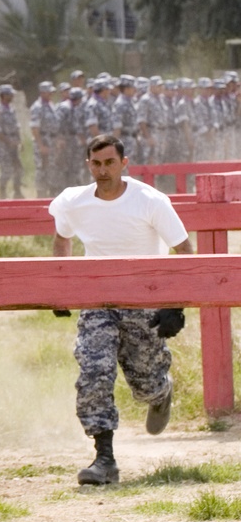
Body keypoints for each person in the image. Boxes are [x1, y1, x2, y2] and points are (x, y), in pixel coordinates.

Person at [49, 134, 192, 486]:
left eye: (110, 163)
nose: (103, 170)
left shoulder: (150, 201)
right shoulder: (73, 202)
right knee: (94, 370)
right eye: (96, 164)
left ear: (124, 163)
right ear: (88, 165)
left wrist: (176, 304)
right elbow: (61, 237)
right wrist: (61, 287)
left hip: (143, 302)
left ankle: (161, 393)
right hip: (98, 302)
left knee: (146, 384)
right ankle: (104, 459)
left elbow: (186, 251)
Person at [0, 84, 23, 199]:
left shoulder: (12, 110)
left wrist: (19, 141)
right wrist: (9, 142)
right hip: (4, 145)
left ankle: (17, 191)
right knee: (6, 170)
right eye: (9, 94)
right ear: (3, 96)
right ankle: (2, 192)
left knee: (18, 168)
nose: (12, 96)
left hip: (14, 143)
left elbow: (16, 126)